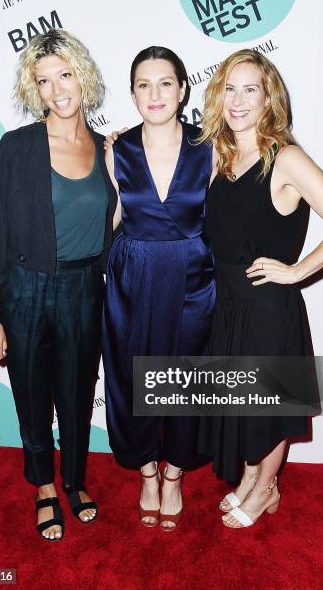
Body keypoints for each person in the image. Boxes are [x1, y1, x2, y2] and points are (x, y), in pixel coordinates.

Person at [197, 49, 323, 528]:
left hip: (268, 307)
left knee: (265, 407)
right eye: (230, 88)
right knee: (243, 404)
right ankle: (253, 479)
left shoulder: (285, 157)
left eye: (251, 88)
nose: (238, 99)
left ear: (269, 97)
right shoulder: (223, 155)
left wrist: (295, 271)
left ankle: (266, 486)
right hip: (228, 305)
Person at [0, 29, 117, 540]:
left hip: (83, 289)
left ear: (84, 76)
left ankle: (73, 479)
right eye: (44, 80)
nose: (57, 90)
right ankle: (44, 486)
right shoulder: (17, 147)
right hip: (26, 289)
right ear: (34, 90)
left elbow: (110, 226)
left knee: (78, 392)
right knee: (31, 394)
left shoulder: (104, 148)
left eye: (66, 75)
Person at [102, 46, 216, 531]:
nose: (155, 94)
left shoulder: (210, 145)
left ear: (183, 89)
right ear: (131, 94)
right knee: (133, 378)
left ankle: (174, 475)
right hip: (134, 274)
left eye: (165, 83)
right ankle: (146, 470)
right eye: (143, 85)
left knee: (184, 383)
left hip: (192, 276)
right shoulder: (117, 150)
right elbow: (112, 219)